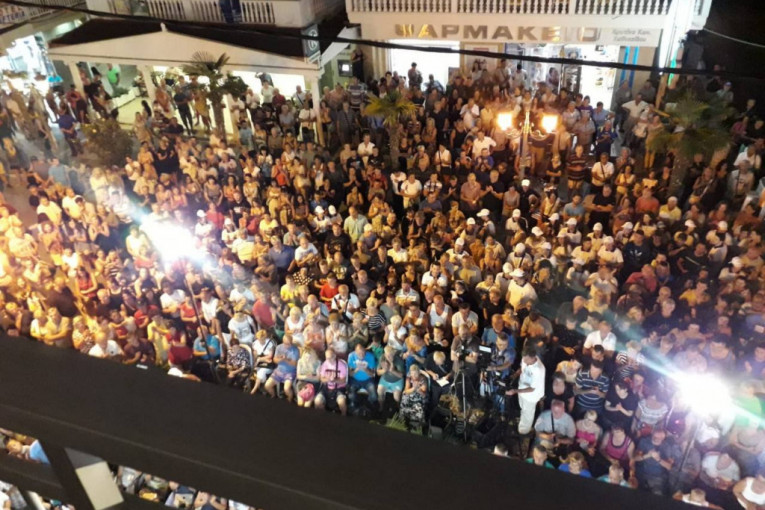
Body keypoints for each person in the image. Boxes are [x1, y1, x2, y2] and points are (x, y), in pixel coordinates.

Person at [506, 346, 545, 435]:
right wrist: (515, 374)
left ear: (533, 357)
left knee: (527, 415)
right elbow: (522, 368)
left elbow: (532, 388)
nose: (524, 361)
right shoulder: (525, 359)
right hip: (522, 390)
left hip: (531, 397)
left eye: (526, 360)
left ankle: (523, 432)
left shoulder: (538, 370)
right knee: (523, 410)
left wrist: (515, 391)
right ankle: (521, 423)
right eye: (523, 358)